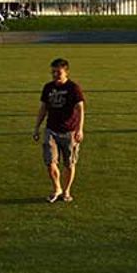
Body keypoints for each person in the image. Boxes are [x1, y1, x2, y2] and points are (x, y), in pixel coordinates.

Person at [33, 58, 85, 203]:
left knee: (69, 164)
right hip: (51, 130)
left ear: (66, 72)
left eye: (58, 72)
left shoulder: (73, 88)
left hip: (70, 132)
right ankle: (57, 188)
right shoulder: (48, 88)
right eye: (53, 72)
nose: (55, 75)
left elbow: (80, 109)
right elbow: (43, 108)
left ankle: (66, 191)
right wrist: (36, 127)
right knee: (50, 162)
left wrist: (80, 129)